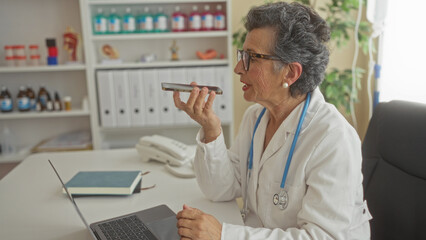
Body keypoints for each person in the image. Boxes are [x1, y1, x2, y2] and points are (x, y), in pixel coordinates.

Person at [173, 2, 372, 239]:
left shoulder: (333, 139)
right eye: (242, 55)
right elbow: (220, 189)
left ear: (290, 73)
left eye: (252, 58)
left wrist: (223, 235)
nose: (238, 68)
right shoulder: (256, 117)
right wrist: (211, 129)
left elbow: (321, 237)